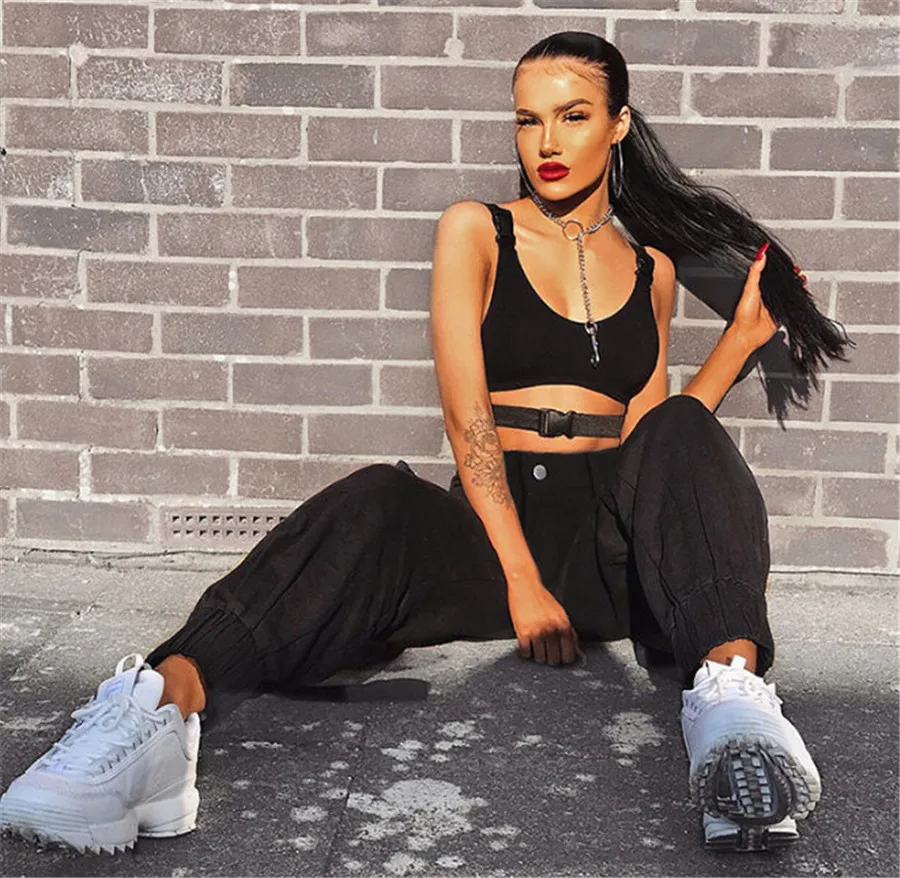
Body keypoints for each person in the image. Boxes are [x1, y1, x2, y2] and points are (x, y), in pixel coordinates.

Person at [0, 32, 851, 856]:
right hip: (493, 532)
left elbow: (651, 443)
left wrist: (737, 346)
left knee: (685, 427)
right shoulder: (476, 230)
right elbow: (465, 415)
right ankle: (155, 713)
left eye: (573, 116)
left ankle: (733, 713)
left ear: (618, 124)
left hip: (605, 551)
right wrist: (521, 581)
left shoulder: (652, 268)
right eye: (528, 119)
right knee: (376, 497)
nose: (546, 142)